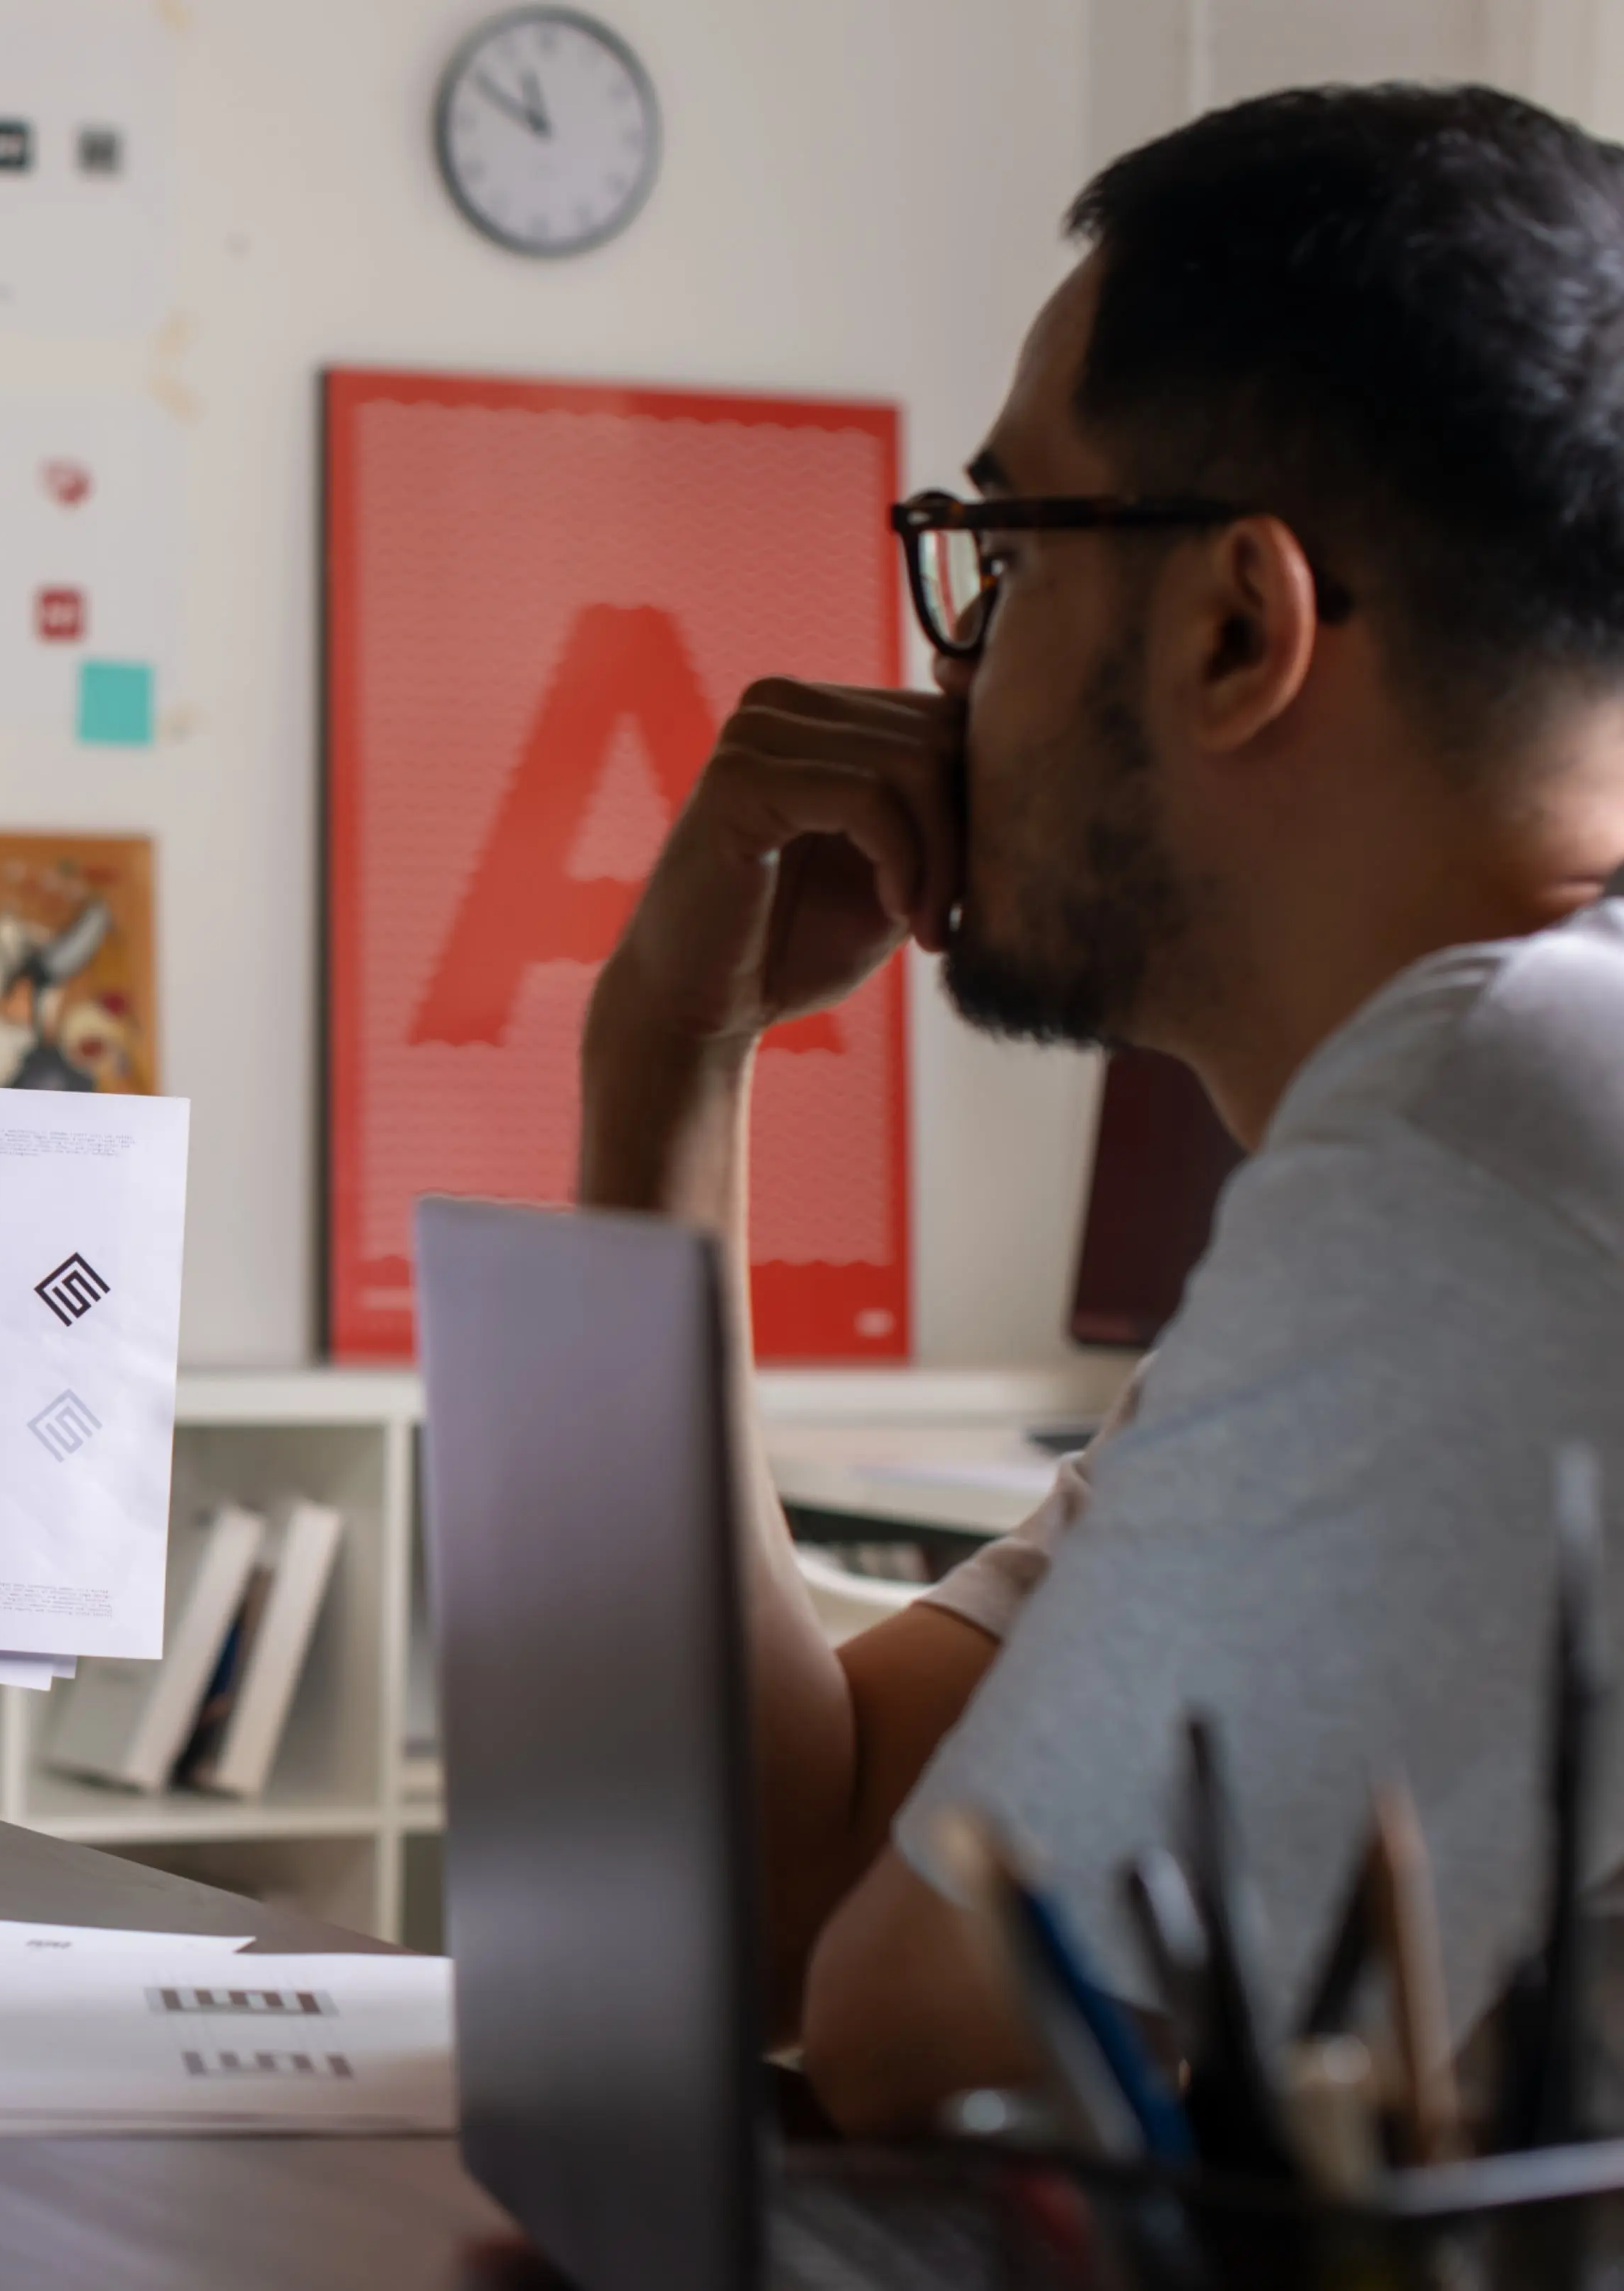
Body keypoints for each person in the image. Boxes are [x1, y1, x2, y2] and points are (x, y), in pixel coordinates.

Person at [581, 83, 1624, 2135]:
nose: (950, 672)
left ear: (1240, 624)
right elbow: (781, 1886)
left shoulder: (1503, 1109)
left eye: (1001, 551)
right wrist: (664, 1053)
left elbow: (915, 2028)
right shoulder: (1451, 1138)